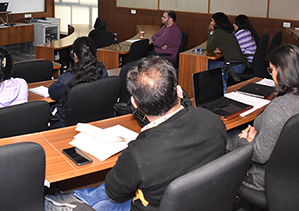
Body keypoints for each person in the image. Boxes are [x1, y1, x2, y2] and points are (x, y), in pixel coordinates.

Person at [72, 56, 227, 211]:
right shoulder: (215, 122)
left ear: (135, 104)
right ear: (179, 91)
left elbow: (114, 193)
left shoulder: (138, 154)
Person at [227, 44, 299, 191]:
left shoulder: (279, 107)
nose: (271, 75)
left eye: (271, 70)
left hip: (265, 177)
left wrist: (245, 139)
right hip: (291, 172)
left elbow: (259, 156)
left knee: (220, 138)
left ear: (281, 71)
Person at [48, 36, 108, 128]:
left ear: (75, 56)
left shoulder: (65, 80)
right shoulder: (102, 71)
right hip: (94, 120)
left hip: (65, 125)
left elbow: (52, 93)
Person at [207, 12, 246, 77]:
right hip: (240, 64)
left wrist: (211, 31)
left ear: (216, 22)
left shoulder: (219, 32)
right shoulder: (227, 31)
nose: (211, 23)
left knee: (204, 65)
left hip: (234, 66)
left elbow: (209, 48)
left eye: (212, 20)